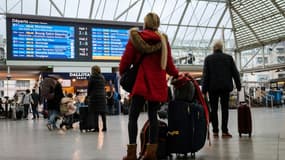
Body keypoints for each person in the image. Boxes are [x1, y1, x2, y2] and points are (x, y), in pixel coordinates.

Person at [119, 12, 179, 160]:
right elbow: (170, 65)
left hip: (141, 82)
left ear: (145, 23)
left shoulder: (136, 38)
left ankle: (131, 154)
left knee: (133, 117)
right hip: (157, 84)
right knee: (153, 117)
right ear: (157, 24)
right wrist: (177, 74)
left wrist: (123, 72)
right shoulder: (163, 40)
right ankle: (151, 153)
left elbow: (125, 61)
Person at [202, 40, 241, 138]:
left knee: (214, 109)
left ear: (213, 48)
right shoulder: (228, 58)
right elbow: (235, 73)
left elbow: (205, 75)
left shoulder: (208, 59)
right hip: (225, 87)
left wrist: (204, 90)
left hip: (212, 88)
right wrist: (238, 85)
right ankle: (224, 131)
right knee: (224, 109)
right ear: (222, 48)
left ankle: (215, 131)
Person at [87, 65, 108, 132]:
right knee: (103, 113)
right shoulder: (102, 77)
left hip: (94, 97)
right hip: (102, 97)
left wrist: (88, 95)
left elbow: (89, 88)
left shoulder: (92, 77)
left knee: (95, 113)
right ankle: (104, 127)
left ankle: (97, 128)